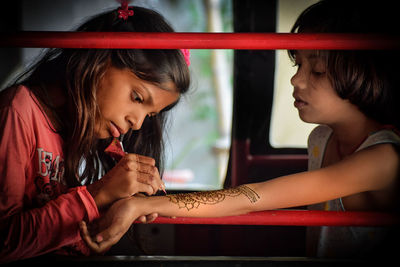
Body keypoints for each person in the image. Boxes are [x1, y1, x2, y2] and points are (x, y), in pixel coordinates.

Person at [80, 0, 400, 260]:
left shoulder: (384, 158)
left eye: (316, 70)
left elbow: (256, 198)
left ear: (361, 73)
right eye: (297, 65)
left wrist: (141, 204)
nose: (296, 80)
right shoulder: (322, 137)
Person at [0, 2, 191, 263]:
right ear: (100, 60)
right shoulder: (18, 111)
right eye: (137, 97)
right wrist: (97, 194)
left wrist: (113, 211)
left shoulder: (87, 136)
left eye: (150, 115)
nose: (136, 123)